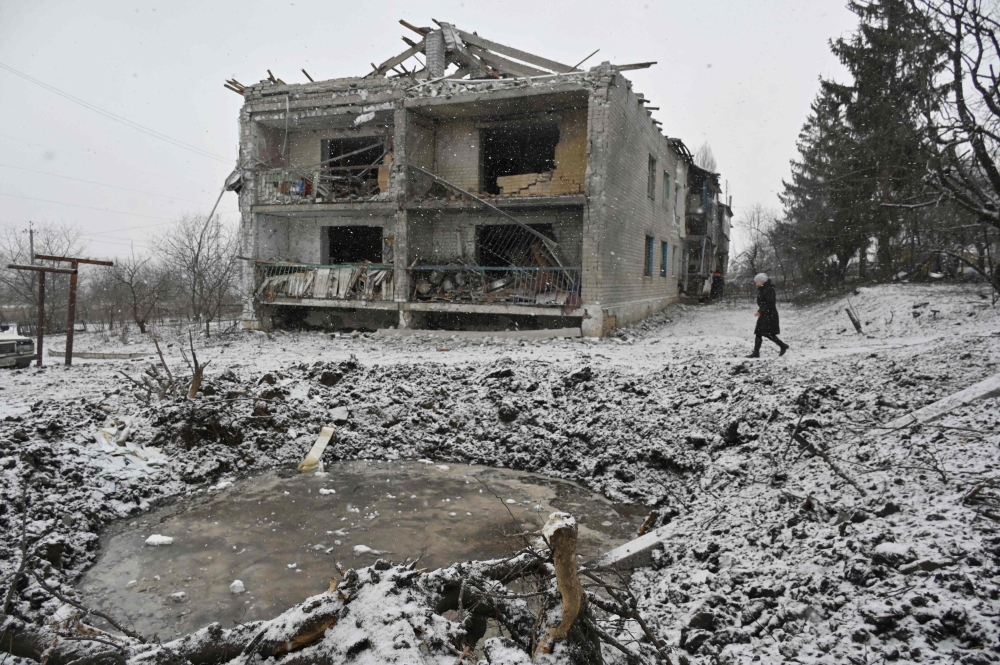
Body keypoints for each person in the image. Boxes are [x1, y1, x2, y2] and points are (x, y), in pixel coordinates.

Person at [748, 273, 789, 358]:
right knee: (759, 333)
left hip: (770, 315)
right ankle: (756, 352)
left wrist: (760, 311)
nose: (756, 283)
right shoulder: (763, 289)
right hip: (765, 314)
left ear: (762, 281)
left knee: (768, 333)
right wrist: (761, 311)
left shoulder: (769, 290)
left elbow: (769, 303)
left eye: (757, 281)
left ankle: (782, 345)